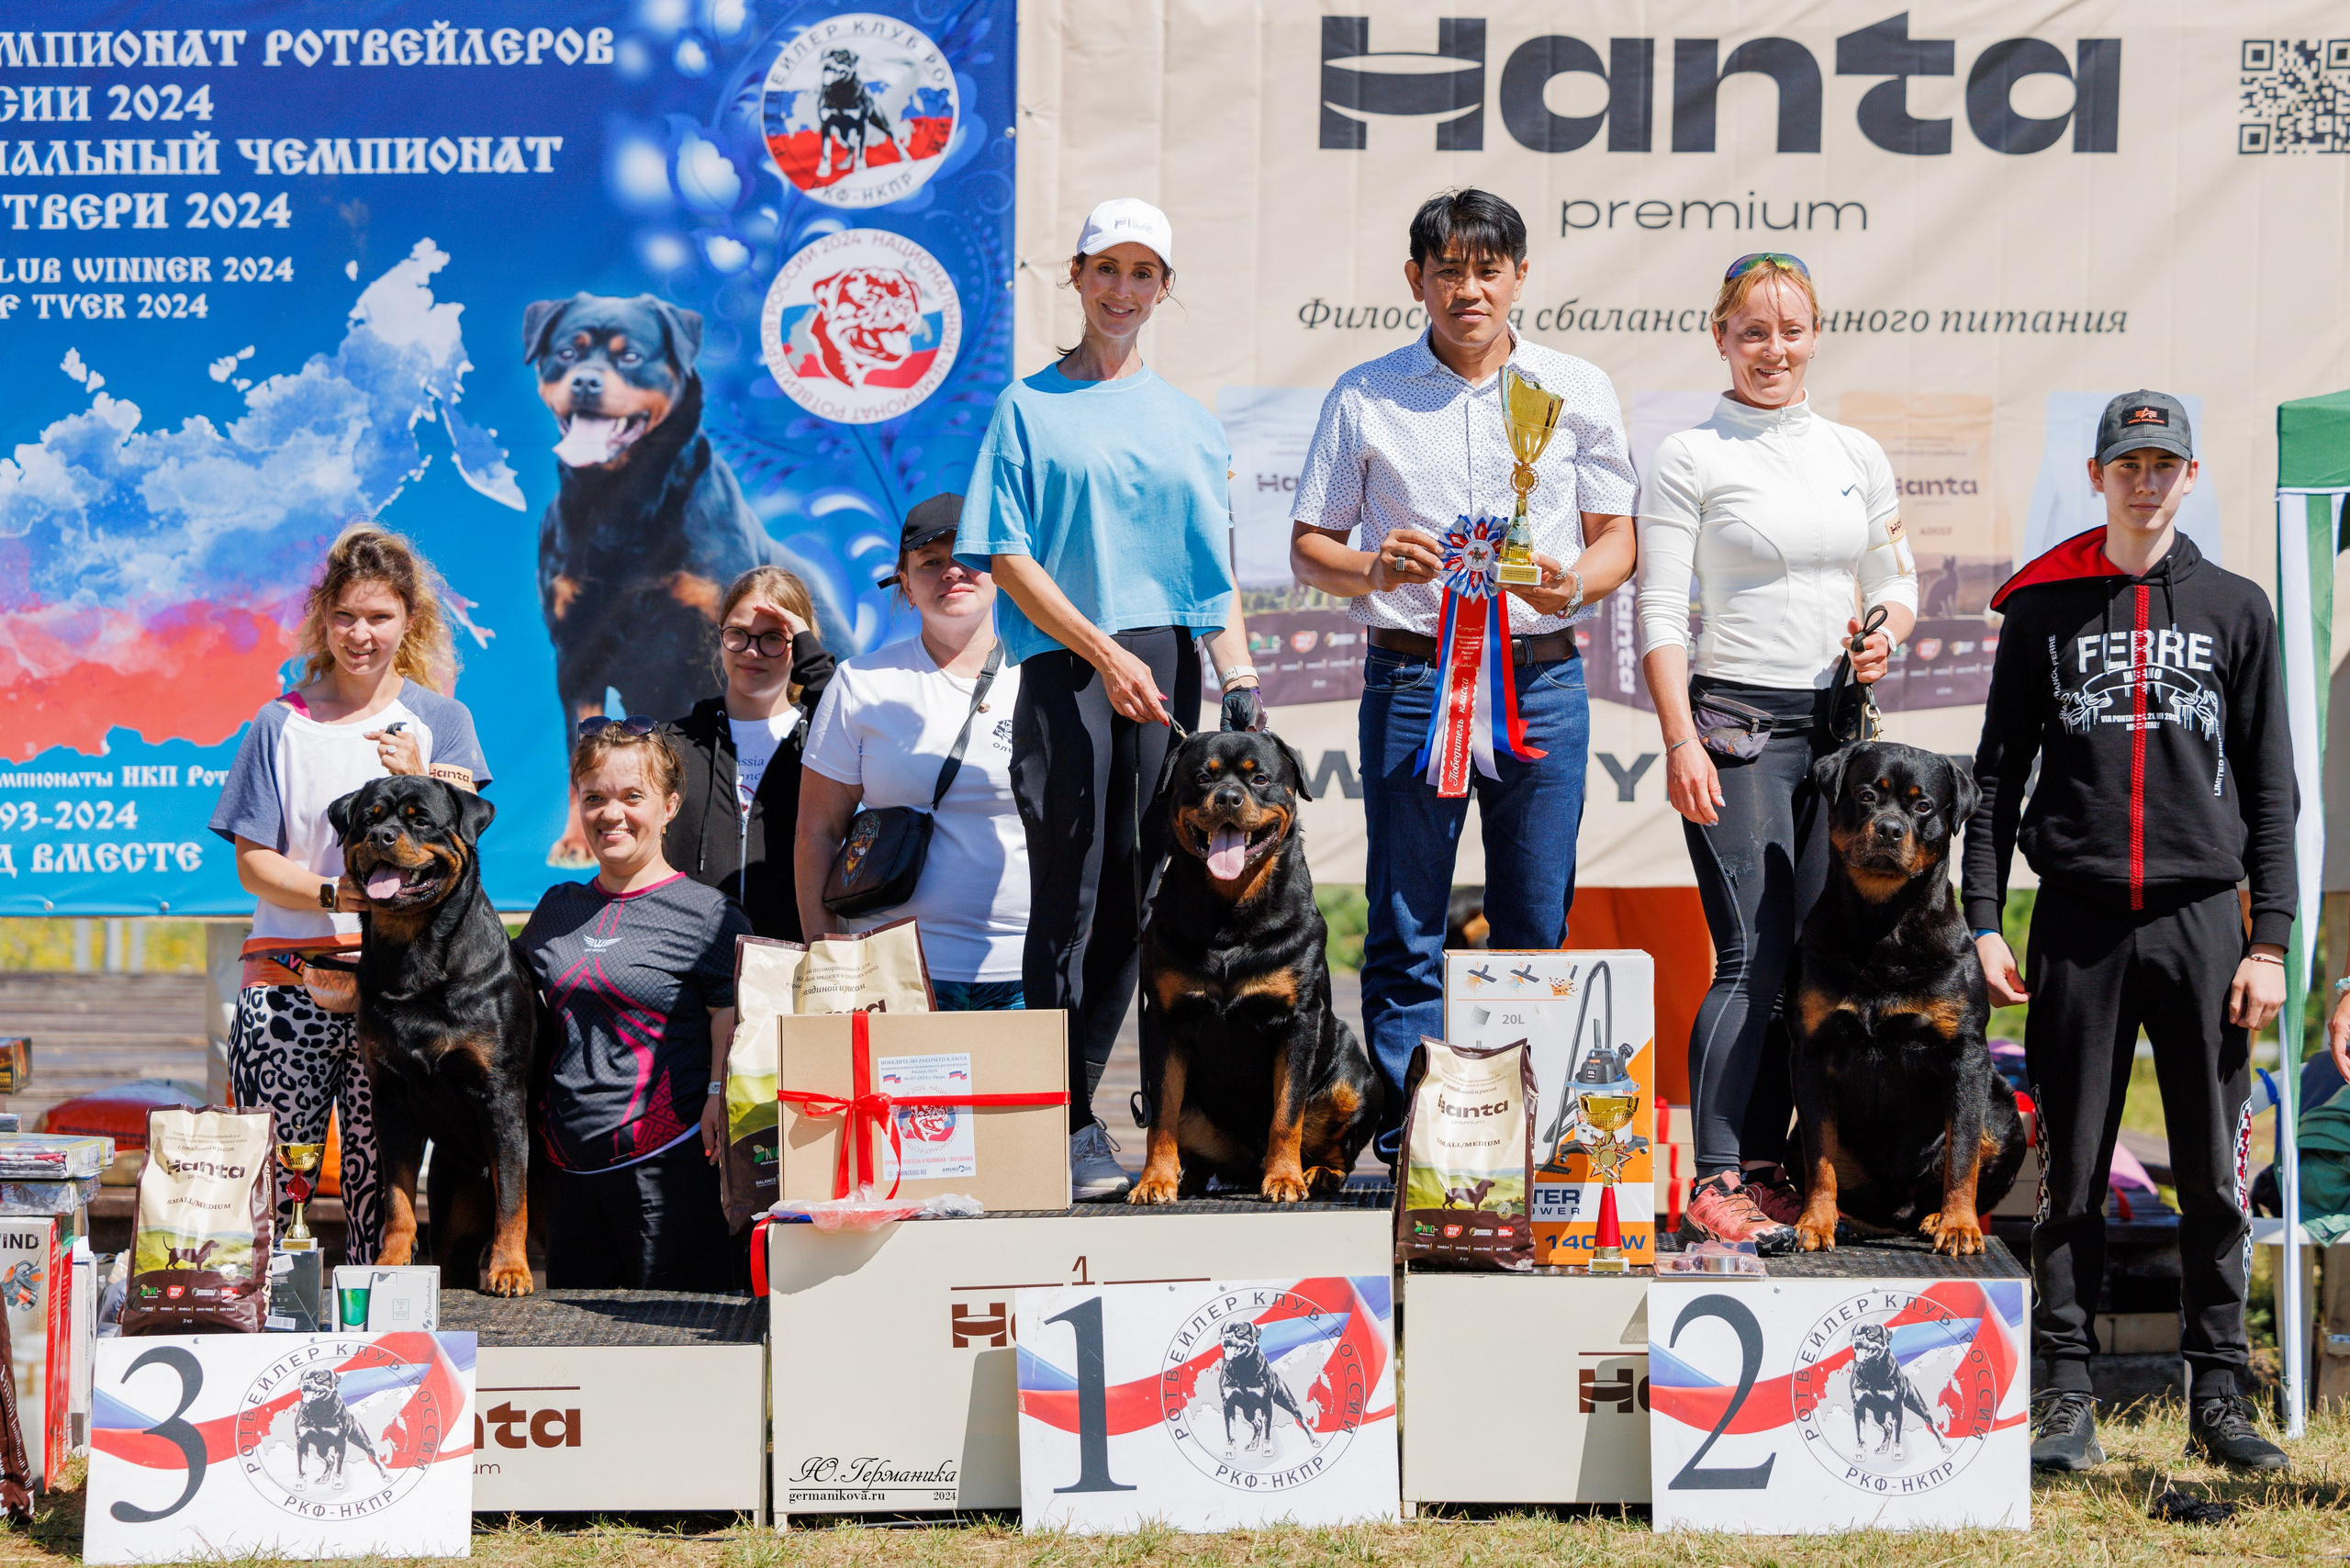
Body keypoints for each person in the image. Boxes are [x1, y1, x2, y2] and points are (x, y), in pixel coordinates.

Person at [1968, 391, 2295, 1474]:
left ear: (2191, 474)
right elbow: (1996, 775)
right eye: (2127, 464)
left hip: (2206, 920)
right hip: (2077, 915)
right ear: (2099, 476)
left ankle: (2220, 1393)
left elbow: (2270, 788)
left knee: (2210, 1170)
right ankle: (2063, 1392)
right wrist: (1982, 917)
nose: (2144, 481)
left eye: (2163, 463)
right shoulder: (2045, 611)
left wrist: (2270, 940)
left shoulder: (2237, 608)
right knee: (2069, 1171)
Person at [1290, 188, 1635, 1163]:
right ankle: (1416, 1138)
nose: (1468, 289)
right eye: (1448, 269)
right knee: (1403, 922)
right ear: (1416, 281)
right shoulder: (1364, 393)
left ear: (1520, 277)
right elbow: (1309, 545)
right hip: (1410, 680)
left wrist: (1576, 582)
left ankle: (1530, 1134)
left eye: (1488, 269)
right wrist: (1371, 567)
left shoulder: (1575, 388)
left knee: (1534, 918)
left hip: (1543, 681)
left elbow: (1616, 541)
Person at [954, 196, 1263, 1201]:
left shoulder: (1187, 420)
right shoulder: (1027, 408)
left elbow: (1205, 578)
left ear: (1164, 289)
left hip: (1163, 665)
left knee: (1146, 902)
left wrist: (1242, 680)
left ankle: (1138, 1123)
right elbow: (1003, 552)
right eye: (1107, 269)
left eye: (1144, 273)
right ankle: (1059, 1120)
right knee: (1070, 897)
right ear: (1077, 277)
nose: (1124, 290)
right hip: (1066, 669)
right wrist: (1097, 650)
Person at [1634, 252, 1917, 1252]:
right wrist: (1680, 738)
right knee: (1749, 951)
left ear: (1815, 333)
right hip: (1734, 723)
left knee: (1808, 960)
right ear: (1719, 337)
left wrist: (1885, 628)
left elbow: (1895, 577)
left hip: (1837, 732)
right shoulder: (1687, 457)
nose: (1772, 349)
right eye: (1751, 331)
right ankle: (1711, 1171)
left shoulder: (1854, 450)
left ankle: (1767, 1166)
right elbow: (1661, 611)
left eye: (1790, 329)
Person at [208, 525, 491, 1266]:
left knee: (383, 1185)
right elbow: (253, 864)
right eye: (344, 617)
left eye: (379, 617)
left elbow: (464, 838)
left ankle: (377, 1341)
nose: (360, 635)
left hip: (395, 991)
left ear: (410, 622)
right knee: (269, 1184)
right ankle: (257, 1329)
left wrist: (426, 768)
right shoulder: (280, 723)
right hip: (286, 983)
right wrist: (342, 893)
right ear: (321, 620)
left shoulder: (442, 721)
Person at [519, 721, 750, 1291]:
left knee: (667, 1353)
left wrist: (719, 1095)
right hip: (567, 1174)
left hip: (666, 1171)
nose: (610, 814)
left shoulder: (710, 914)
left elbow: (733, 1017)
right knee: (578, 1358)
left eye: (632, 797)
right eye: (594, 798)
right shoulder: (556, 908)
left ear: (670, 806)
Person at [797, 497, 1028, 1010]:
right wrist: (824, 957)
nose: (952, 573)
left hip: (1024, 969)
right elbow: (818, 831)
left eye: (968, 557)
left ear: (1000, 570)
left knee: (1022, 1098)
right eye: (930, 562)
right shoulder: (859, 683)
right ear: (904, 580)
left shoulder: (1043, 679)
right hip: (894, 971)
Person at [666, 566, 835, 940]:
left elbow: (849, 717)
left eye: (774, 637)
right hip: (692, 970)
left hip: (795, 963)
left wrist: (812, 656)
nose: (752, 651)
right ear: (721, 635)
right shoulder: (673, 742)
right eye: (738, 634)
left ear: (802, 643)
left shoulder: (825, 737)